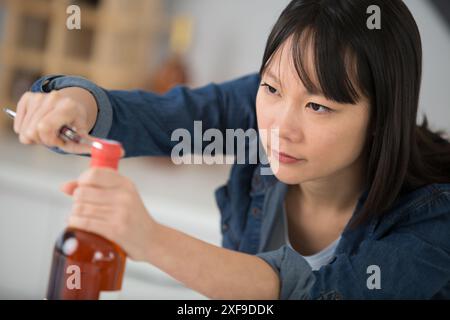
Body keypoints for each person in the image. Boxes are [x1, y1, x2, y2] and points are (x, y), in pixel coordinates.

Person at [12, 0, 450, 299]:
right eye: (272, 87)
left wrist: (151, 239)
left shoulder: (434, 217)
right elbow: (158, 118)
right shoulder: (255, 110)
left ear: (381, 119)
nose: (280, 126)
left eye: (318, 106)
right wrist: (75, 103)